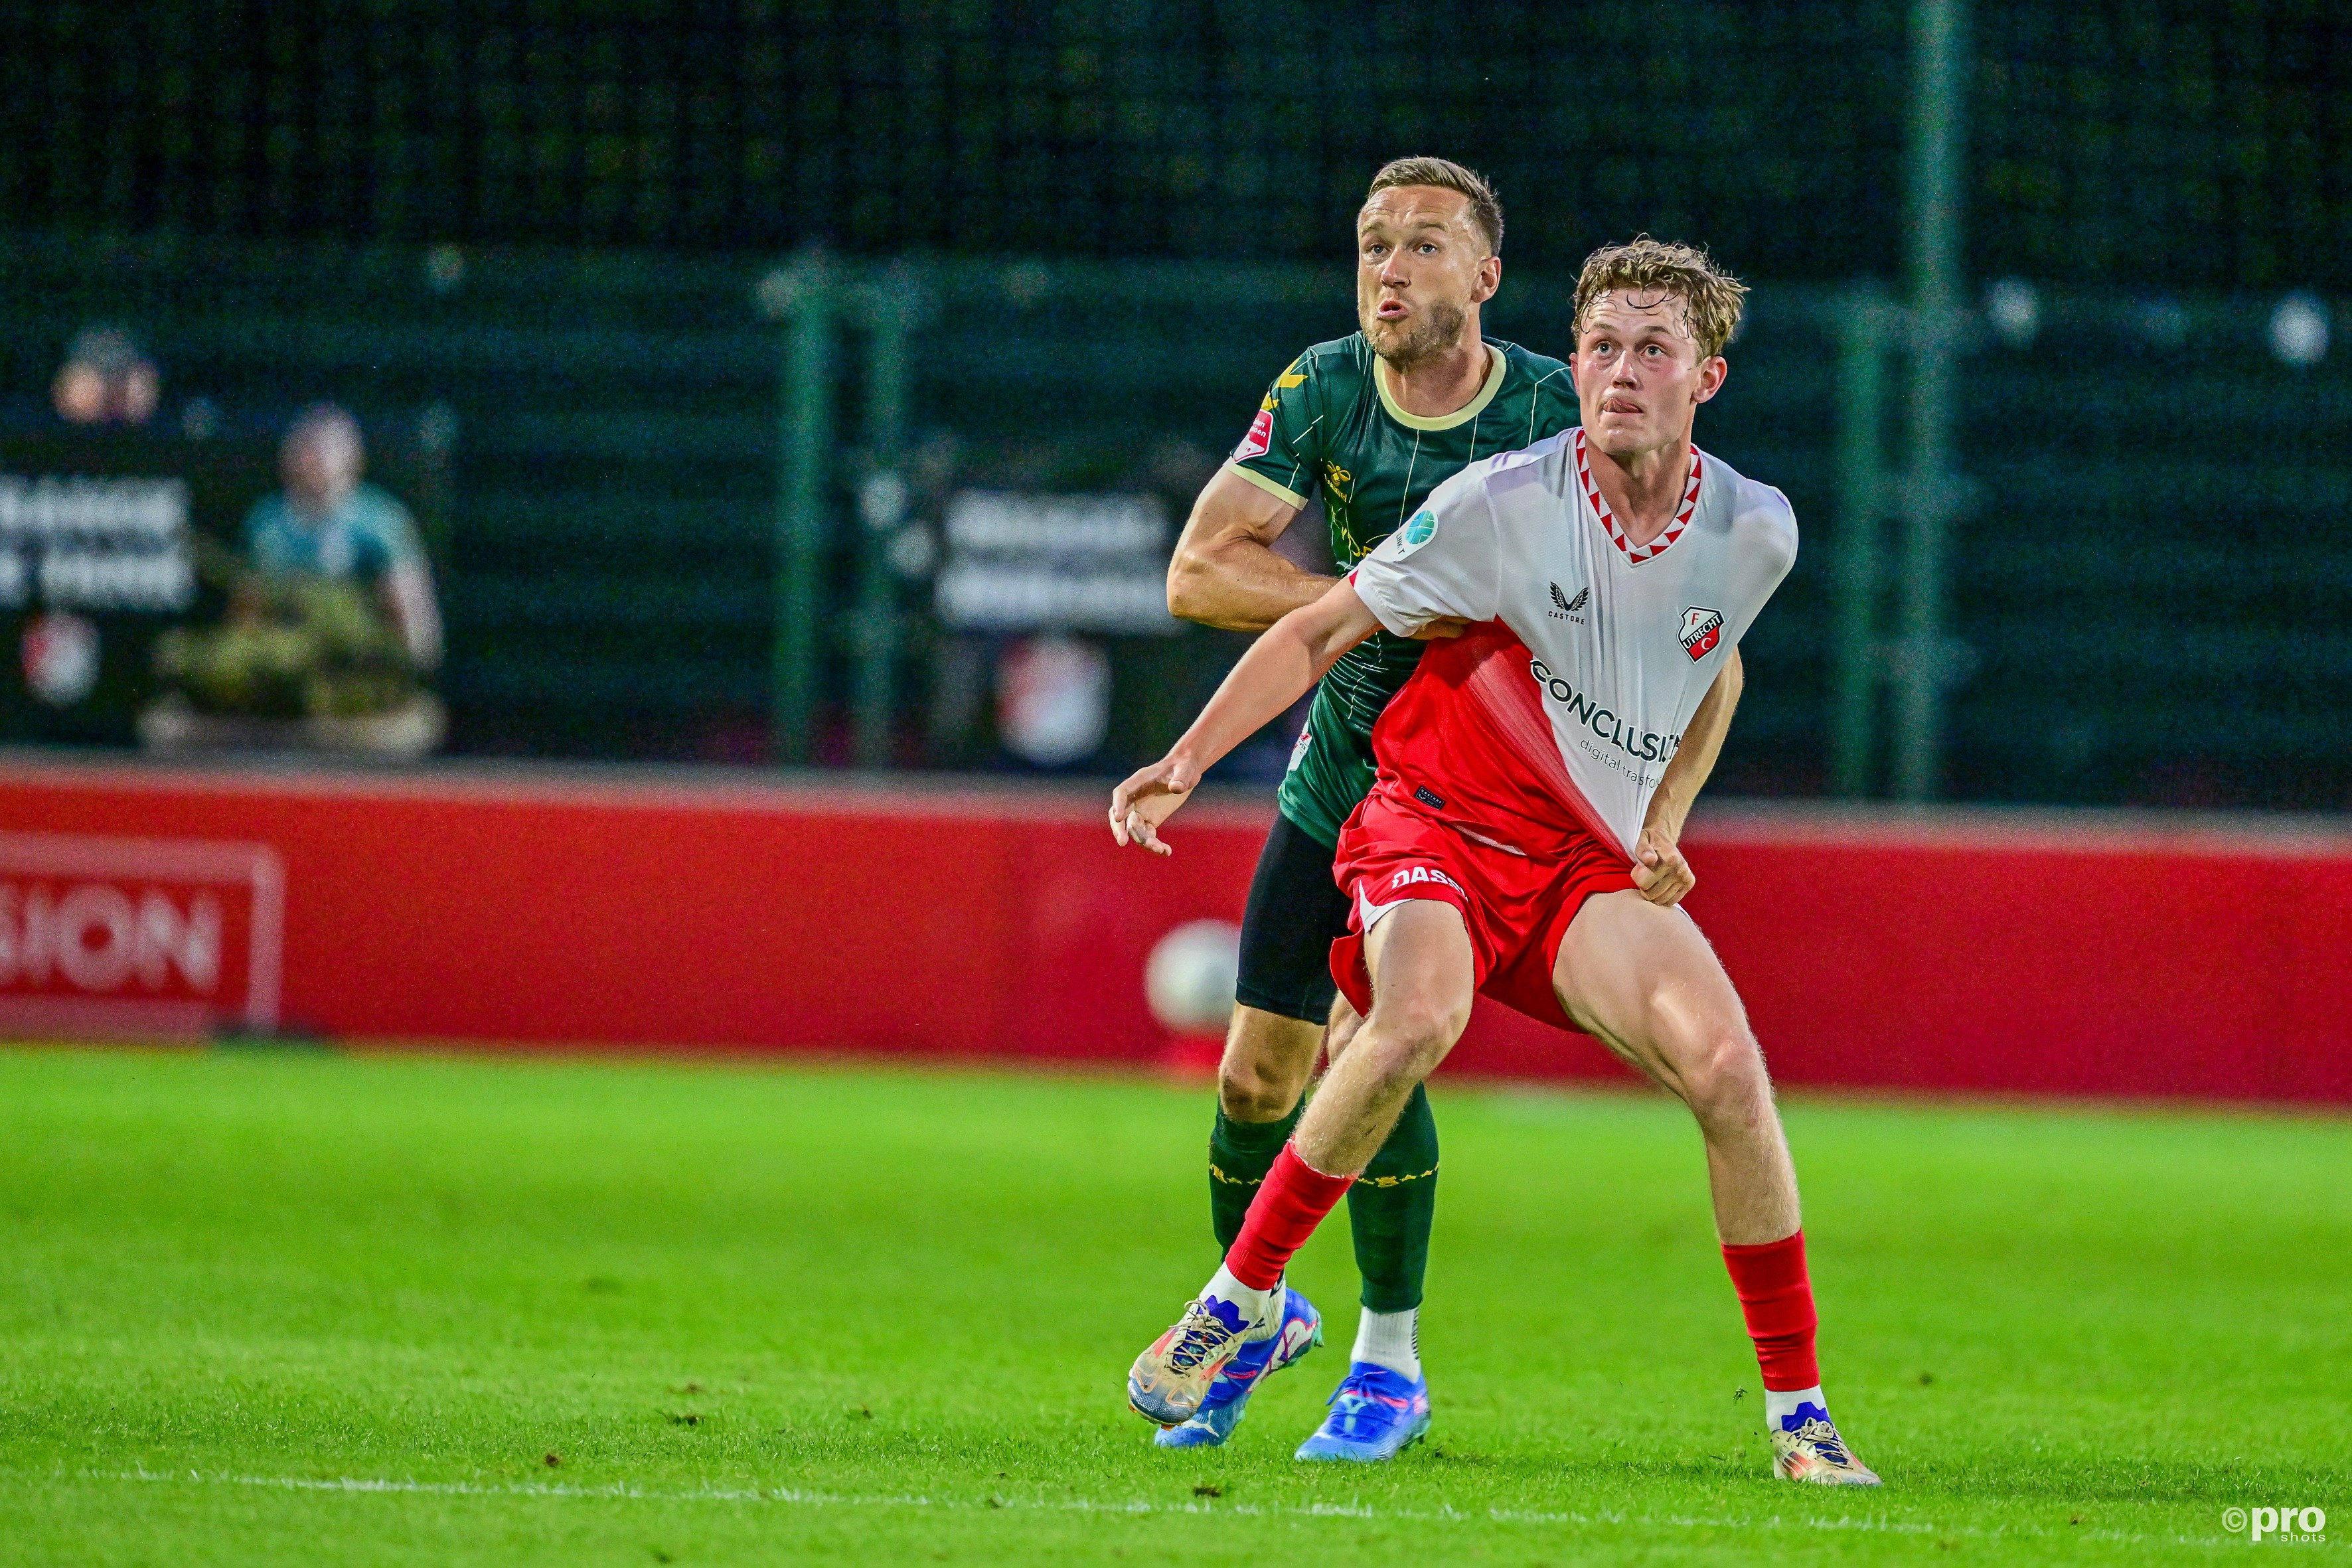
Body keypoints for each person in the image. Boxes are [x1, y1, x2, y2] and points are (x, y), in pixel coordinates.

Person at [1113, 238, 1878, 1485]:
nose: (1619, 371)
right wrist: (1188, 759)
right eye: (1599, 347)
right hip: (1434, 823)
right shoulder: (1502, 503)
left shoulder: (1754, 531)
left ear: (1707, 377)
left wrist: (1664, 818)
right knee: (1415, 1015)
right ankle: (1240, 1296)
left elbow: (1712, 667)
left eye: (1651, 349)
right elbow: (1318, 623)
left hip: (1577, 864)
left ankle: (1799, 1415)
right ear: (1570, 363)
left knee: (1729, 1069)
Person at [1154, 157, 1581, 1459]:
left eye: (1423, 246)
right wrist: (1373, 598)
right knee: (1251, 1075)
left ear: (1485, 277)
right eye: (1371, 244)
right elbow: (1197, 571)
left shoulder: (1553, 411)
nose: (1388, 268)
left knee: (1379, 1039)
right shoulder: (1323, 384)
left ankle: (1385, 1362)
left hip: (1458, 791)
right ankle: (1259, 1313)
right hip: (1334, 771)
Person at [244, 404, 442, 670]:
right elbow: (247, 608)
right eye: (307, 448)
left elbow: (412, 608)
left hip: (361, 658)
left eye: (328, 448)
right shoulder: (266, 521)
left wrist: (414, 666)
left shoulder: (381, 520)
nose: (316, 459)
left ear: (353, 457)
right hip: (286, 658)